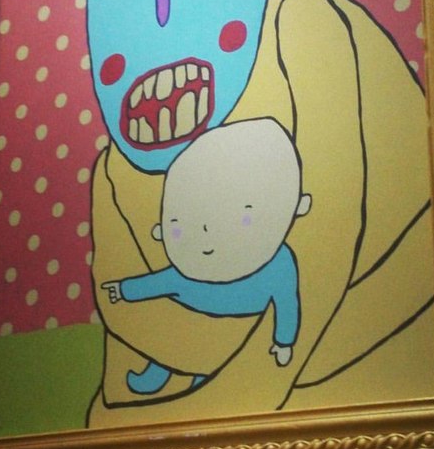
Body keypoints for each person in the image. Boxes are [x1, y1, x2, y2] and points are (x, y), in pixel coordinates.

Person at [73, 0, 434, 427]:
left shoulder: (305, 25)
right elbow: (126, 337)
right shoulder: (117, 175)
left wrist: (231, 398)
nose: (161, 6)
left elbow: (328, 242)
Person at [101, 118, 311, 395]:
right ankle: (158, 370)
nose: (207, 238)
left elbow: (287, 304)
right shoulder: (189, 271)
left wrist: (284, 341)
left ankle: (196, 383)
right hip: (186, 317)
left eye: (245, 219)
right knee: (171, 339)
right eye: (177, 227)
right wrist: (124, 290)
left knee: (207, 365)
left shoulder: (278, 264)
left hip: (232, 331)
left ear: (297, 206)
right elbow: (158, 283)